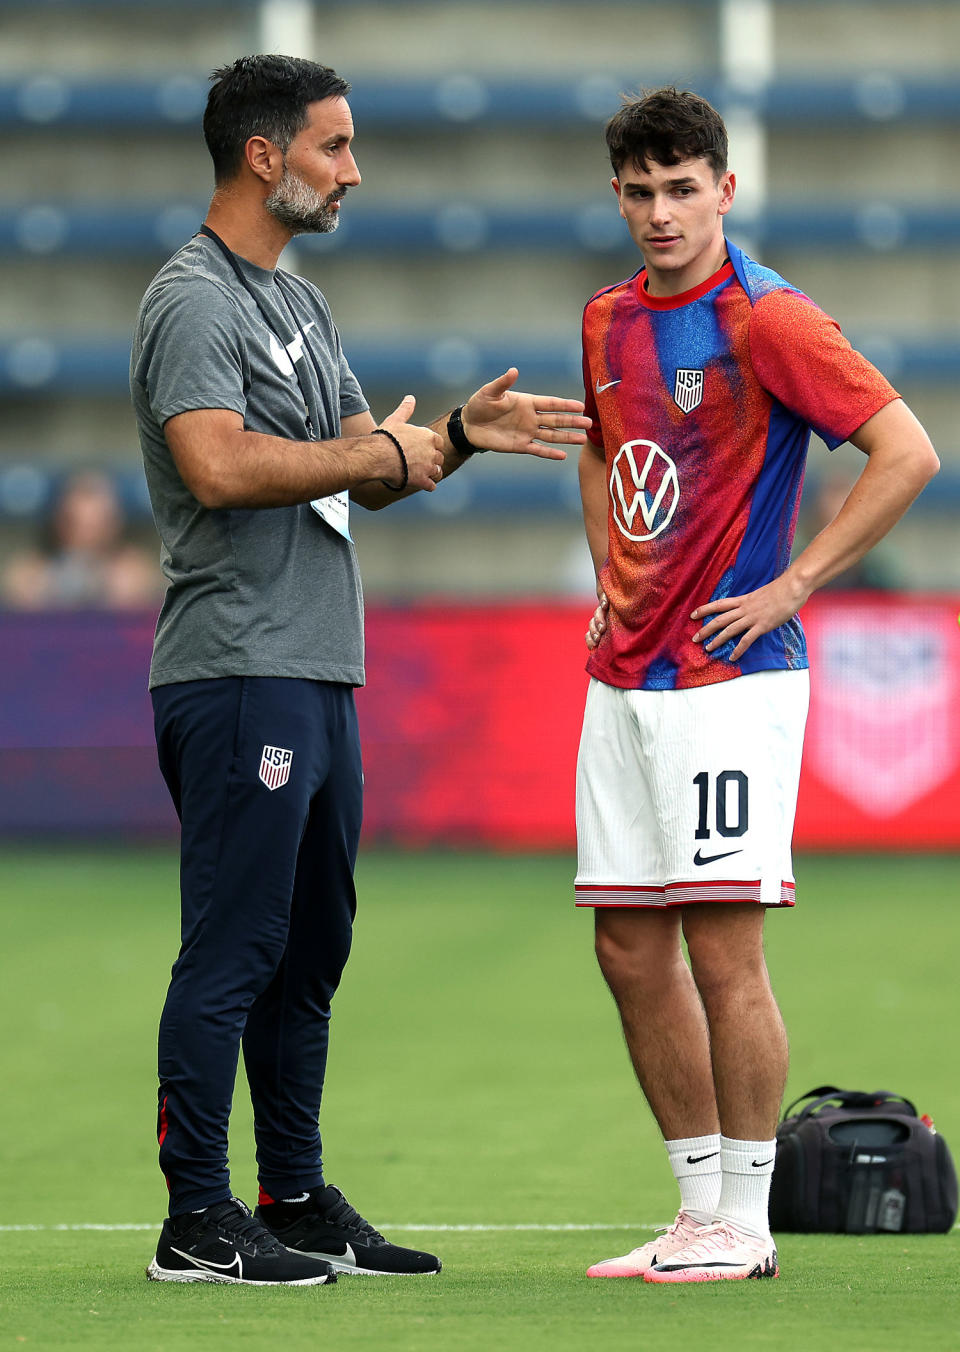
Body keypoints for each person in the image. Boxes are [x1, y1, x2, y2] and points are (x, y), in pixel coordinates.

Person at [130, 54, 590, 1288]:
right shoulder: (194, 301)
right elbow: (222, 467)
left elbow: (365, 460)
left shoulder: (299, 304)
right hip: (237, 667)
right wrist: (365, 447)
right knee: (235, 945)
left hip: (320, 668)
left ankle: (290, 1193)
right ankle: (193, 1217)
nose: (353, 169)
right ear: (264, 156)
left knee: (311, 946)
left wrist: (446, 437)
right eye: (333, 146)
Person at [575, 88, 938, 1284]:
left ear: (724, 190)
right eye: (642, 191)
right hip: (624, 674)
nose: (663, 213)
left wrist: (795, 586)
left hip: (731, 678)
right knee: (629, 950)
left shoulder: (767, 317)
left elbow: (906, 449)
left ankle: (748, 1214)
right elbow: (602, 449)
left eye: (685, 189)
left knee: (724, 949)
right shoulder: (606, 319)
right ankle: (694, 1210)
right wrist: (610, 580)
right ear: (619, 193)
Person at [1, 469, 162, 610]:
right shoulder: (32, 569)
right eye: (76, 523)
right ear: (59, 521)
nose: (87, 536)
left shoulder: (134, 571)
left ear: (114, 523)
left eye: (97, 524)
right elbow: (18, 592)